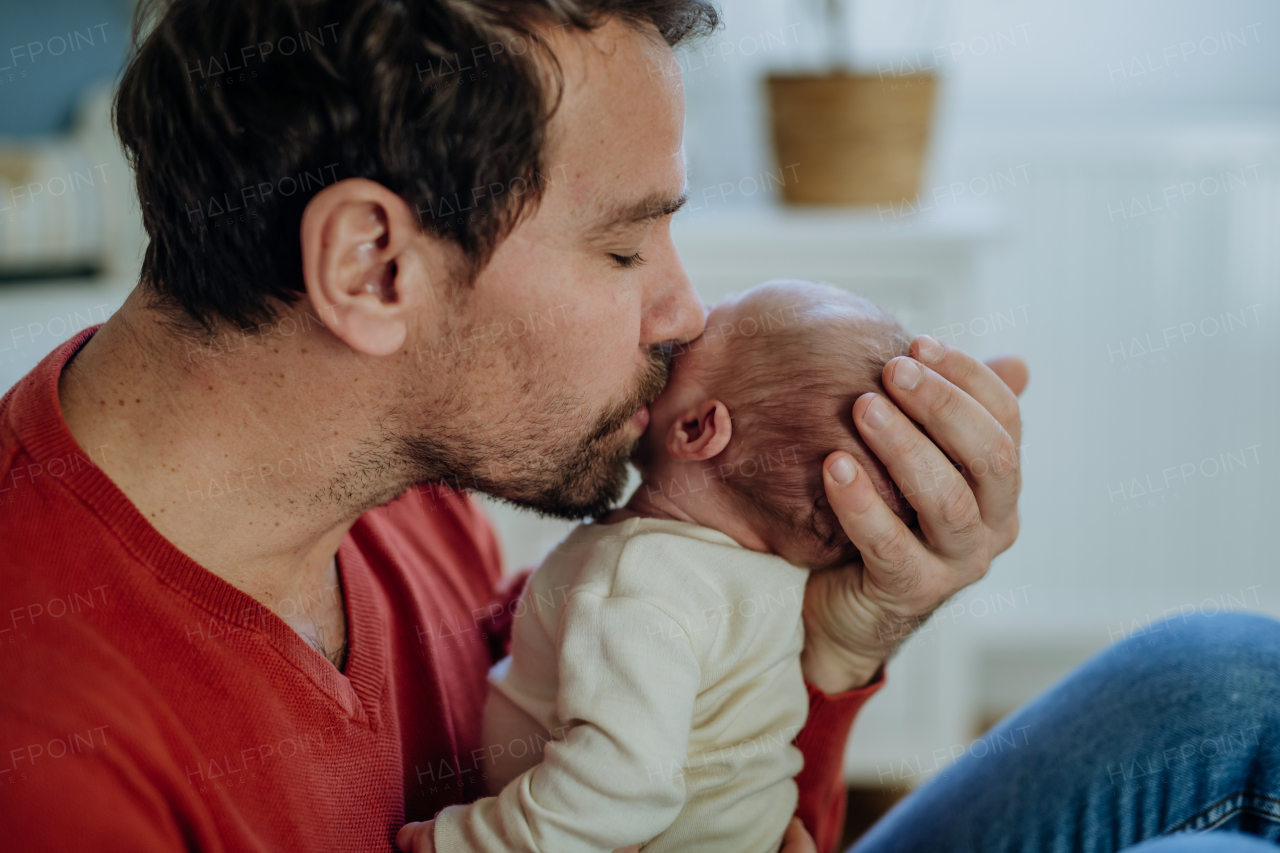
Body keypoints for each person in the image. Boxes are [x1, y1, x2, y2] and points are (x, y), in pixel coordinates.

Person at [2, 0, 1272, 851]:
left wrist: (826, 652)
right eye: (621, 246)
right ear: (375, 266)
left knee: (1228, 680)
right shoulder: (55, 753)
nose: (679, 309)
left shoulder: (394, 468)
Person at [398, 281, 916, 852]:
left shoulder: (637, 580)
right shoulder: (773, 580)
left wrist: (465, 842)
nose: (682, 323)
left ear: (697, 430)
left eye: (704, 329)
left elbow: (620, 791)